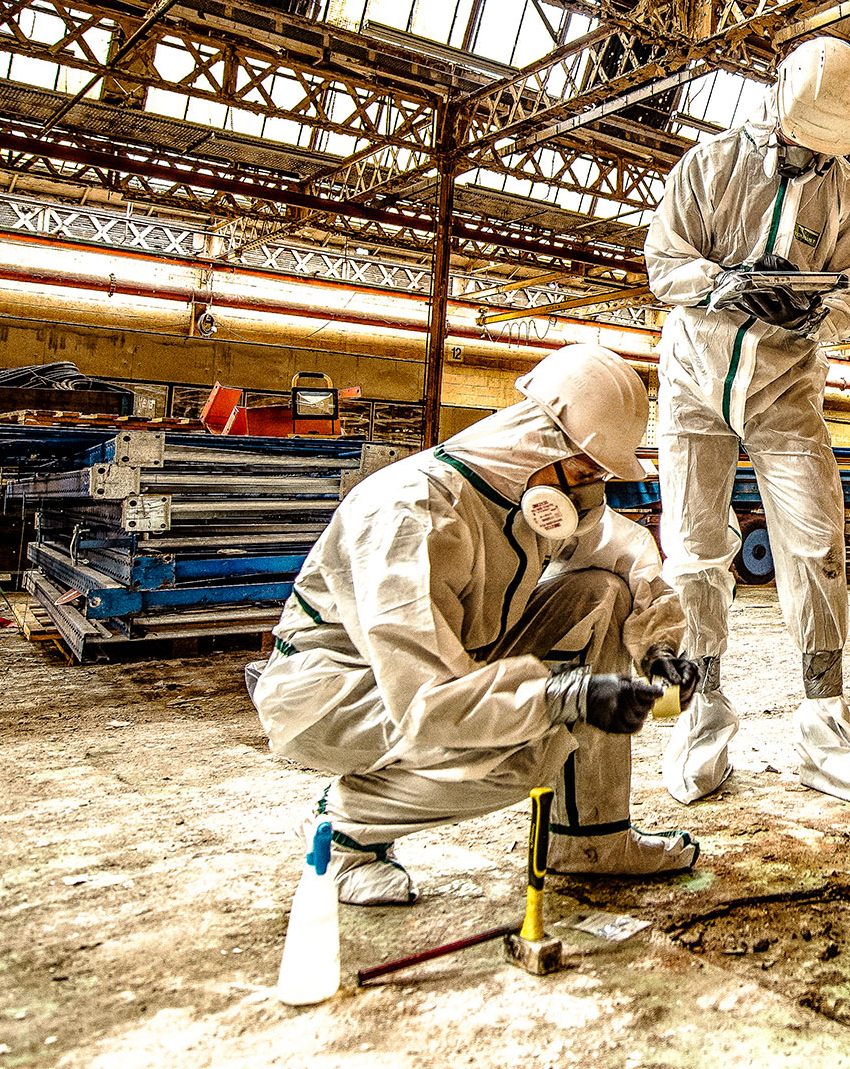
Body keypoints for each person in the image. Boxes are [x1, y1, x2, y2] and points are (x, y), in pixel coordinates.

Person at [248, 344, 703, 905]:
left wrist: (658, 647)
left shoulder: (530, 494)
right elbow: (427, 697)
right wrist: (566, 695)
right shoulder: (411, 513)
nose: (589, 489)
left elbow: (624, 554)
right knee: (521, 753)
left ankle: (589, 839)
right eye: (586, 469)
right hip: (344, 692)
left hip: (454, 663)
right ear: (539, 442)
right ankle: (345, 832)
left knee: (603, 593)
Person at [644, 36, 850, 810]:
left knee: (817, 539)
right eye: (798, 141)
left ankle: (825, 721)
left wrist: (816, 313)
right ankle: (702, 712)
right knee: (693, 551)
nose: (807, 157)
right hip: (695, 382)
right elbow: (664, 262)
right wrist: (724, 284)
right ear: (777, 105)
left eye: (823, 150)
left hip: (786, 388)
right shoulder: (709, 167)